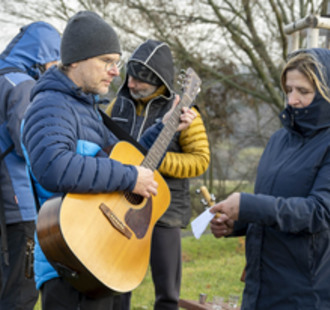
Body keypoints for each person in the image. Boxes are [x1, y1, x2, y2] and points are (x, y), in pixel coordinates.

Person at [21, 11, 196, 310]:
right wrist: (129, 177)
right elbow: (55, 167)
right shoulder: (51, 106)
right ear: (75, 59)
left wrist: (164, 127)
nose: (116, 71)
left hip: (99, 257)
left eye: (116, 62)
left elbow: (126, 158)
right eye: (106, 61)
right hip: (70, 261)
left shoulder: (85, 107)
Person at [210, 47, 330, 309]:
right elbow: (273, 204)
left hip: (305, 294)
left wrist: (248, 205)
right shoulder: (278, 140)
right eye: (289, 90)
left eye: (303, 91)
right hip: (259, 289)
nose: (292, 100)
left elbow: (319, 212)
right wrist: (237, 223)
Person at [106, 39, 210, 310]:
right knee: (115, 284)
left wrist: (155, 161)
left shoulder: (186, 113)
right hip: (120, 203)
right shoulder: (115, 105)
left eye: (140, 81)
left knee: (167, 294)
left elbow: (201, 161)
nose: (130, 84)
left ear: (160, 82)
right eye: (130, 76)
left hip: (166, 211)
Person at [0, 21, 61, 309]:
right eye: (55, 59)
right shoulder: (23, 85)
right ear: (42, 55)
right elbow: (30, 145)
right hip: (18, 203)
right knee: (20, 290)